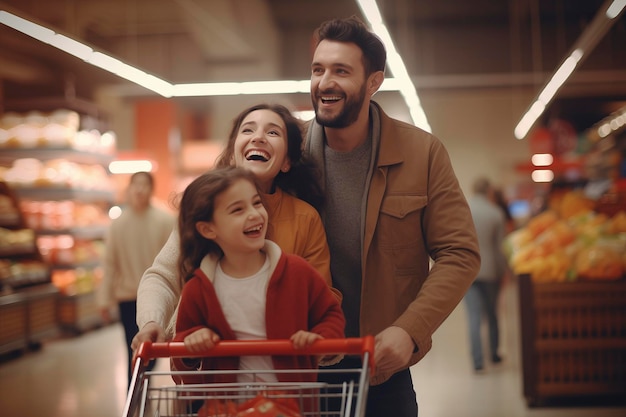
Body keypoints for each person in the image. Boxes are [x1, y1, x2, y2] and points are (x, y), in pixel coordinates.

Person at [303, 16, 480, 416]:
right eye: (318, 69)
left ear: (373, 82)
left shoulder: (422, 153)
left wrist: (410, 329)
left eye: (341, 71)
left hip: (381, 366)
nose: (324, 82)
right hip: (296, 367)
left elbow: (459, 253)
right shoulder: (286, 155)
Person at [132, 104, 339, 350]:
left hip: (281, 370)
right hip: (209, 371)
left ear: (286, 161)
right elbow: (164, 276)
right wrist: (152, 321)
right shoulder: (205, 211)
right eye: (248, 130)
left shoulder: (305, 218)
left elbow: (323, 298)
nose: (259, 137)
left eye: (273, 133)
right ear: (232, 154)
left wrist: (316, 336)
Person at [171, 166, 345, 388]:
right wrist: (193, 341)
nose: (254, 214)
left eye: (257, 203)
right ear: (208, 229)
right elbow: (182, 346)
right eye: (237, 210)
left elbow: (330, 314)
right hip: (227, 410)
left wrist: (321, 339)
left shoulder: (297, 272)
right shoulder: (199, 288)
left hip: (292, 408)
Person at [97, 171, 175, 386]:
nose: (140, 189)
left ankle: (141, 391)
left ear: (152, 189)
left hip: (159, 298)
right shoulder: (118, 225)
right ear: (128, 189)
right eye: (135, 185)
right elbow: (110, 264)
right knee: (133, 350)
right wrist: (105, 299)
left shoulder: (166, 221)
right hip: (128, 297)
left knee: (154, 349)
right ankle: (135, 396)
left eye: (145, 184)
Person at [463, 177, 507, 372]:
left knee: (473, 316)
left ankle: (478, 361)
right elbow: (500, 247)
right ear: (488, 190)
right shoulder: (495, 212)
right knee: (492, 315)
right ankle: (494, 354)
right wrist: (503, 271)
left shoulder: (463, 210)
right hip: (490, 270)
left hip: (469, 271)